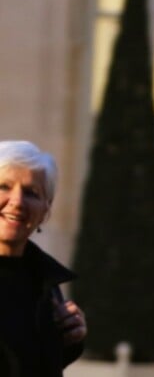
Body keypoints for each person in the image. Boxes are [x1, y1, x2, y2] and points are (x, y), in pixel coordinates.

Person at [0, 140, 87, 376]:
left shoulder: (45, 283)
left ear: (45, 210)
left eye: (31, 193)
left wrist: (69, 339)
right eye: (4, 187)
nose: (17, 201)